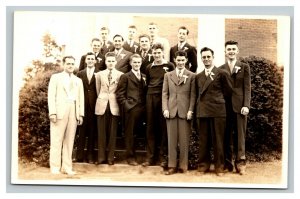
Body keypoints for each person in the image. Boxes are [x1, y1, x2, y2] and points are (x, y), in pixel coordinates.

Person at [195, 47, 232, 176]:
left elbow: (228, 93)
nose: (206, 59)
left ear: (213, 57)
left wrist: (219, 102)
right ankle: (203, 166)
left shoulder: (222, 73)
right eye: (204, 57)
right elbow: (197, 95)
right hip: (203, 111)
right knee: (204, 140)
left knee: (218, 141)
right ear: (201, 59)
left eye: (208, 57)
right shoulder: (198, 76)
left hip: (218, 111)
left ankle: (219, 167)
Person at [48, 56, 84, 175]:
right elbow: (51, 96)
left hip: (73, 111)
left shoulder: (78, 80)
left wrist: (80, 114)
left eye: (72, 64)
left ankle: (67, 167)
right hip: (59, 111)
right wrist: (52, 112)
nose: (70, 66)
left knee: (69, 141)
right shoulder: (56, 78)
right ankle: (55, 167)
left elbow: (80, 98)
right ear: (64, 64)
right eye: (68, 63)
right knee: (56, 140)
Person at [219, 40, 251, 175]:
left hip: (239, 107)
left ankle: (241, 162)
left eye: (233, 49)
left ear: (237, 51)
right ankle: (228, 163)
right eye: (228, 49)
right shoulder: (220, 68)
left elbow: (247, 88)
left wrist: (246, 105)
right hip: (225, 107)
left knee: (240, 135)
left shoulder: (244, 67)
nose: (231, 51)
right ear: (225, 52)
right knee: (226, 135)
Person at [162, 50, 196, 175]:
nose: (180, 62)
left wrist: (190, 110)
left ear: (186, 60)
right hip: (171, 111)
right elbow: (165, 93)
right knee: (171, 140)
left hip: (184, 111)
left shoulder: (192, 75)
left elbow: (193, 95)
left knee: (184, 140)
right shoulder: (168, 75)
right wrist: (165, 108)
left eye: (183, 60)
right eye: (178, 60)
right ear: (174, 60)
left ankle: (183, 165)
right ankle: (171, 166)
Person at [142, 43, 175, 168]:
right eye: (154, 53)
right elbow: (148, 84)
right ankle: (150, 157)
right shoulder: (149, 67)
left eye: (158, 52)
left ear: (162, 53)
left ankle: (163, 157)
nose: (156, 55)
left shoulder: (169, 65)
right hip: (150, 97)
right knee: (150, 127)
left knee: (163, 128)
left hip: (163, 98)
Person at [116, 54, 147, 166]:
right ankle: (130, 157)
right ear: (130, 63)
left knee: (140, 133)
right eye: (134, 62)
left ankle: (143, 157)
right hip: (131, 108)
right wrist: (127, 105)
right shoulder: (125, 76)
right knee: (130, 133)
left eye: (138, 62)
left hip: (143, 108)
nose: (136, 64)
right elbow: (119, 94)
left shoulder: (144, 76)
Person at [94, 52, 123, 165]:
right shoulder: (99, 74)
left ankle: (110, 157)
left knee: (112, 133)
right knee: (101, 132)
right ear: (105, 62)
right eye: (108, 61)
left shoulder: (120, 75)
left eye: (112, 61)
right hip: (102, 104)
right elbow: (98, 90)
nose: (110, 63)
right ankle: (101, 157)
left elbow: (120, 90)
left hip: (114, 104)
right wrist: (102, 98)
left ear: (115, 62)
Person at [76, 52, 99, 164]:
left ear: (95, 61)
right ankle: (79, 155)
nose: (90, 60)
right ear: (85, 61)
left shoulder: (99, 73)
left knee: (92, 131)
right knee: (81, 131)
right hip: (83, 105)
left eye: (92, 59)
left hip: (95, 105)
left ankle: (90, 156)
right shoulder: (80, 73)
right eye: (88, 59)